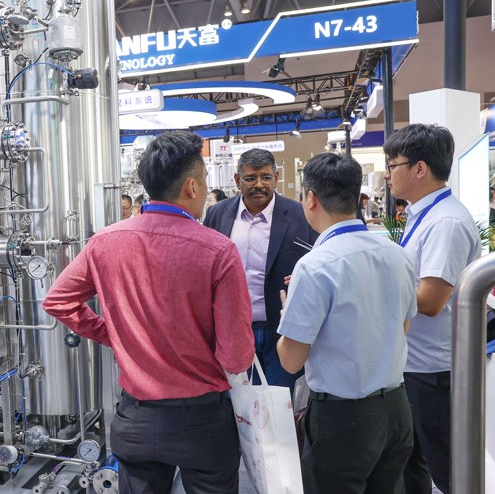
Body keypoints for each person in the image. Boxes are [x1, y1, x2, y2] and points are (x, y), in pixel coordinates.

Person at [43, 130, 254, 494]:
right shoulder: (218, 250)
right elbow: (236, 357)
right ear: (191, 186)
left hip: (136, 418)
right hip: (202, 421)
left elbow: (57, 300)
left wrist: (113, 334)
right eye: (204, 181)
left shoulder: (105, 241)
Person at [276, 152, 417, 494]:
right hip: (396, 409)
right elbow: (403, 328)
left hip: (343, 419)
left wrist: (287, 314)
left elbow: (291, 360)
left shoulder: (314, 265)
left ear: (310, 199)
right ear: (356, 197)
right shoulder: (397, 254)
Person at [384, 123, 480, 494]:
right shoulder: (424, 214)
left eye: (393, 165)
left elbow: (430, 301)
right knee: (413, 464)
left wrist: (375, 286)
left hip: (434, 370)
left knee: (448, 470)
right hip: (417, 364)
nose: (388, 175)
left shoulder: (446, 222)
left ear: (420, 168)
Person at [203, 148, 317, 390]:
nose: (259, 185)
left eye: (265, 177)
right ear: (237, 180)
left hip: (283, 331)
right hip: (233, 332)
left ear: (276, 177)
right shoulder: (217, 215)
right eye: (250, 178)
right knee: (239, 404)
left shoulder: (299, 215)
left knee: (282, 403)